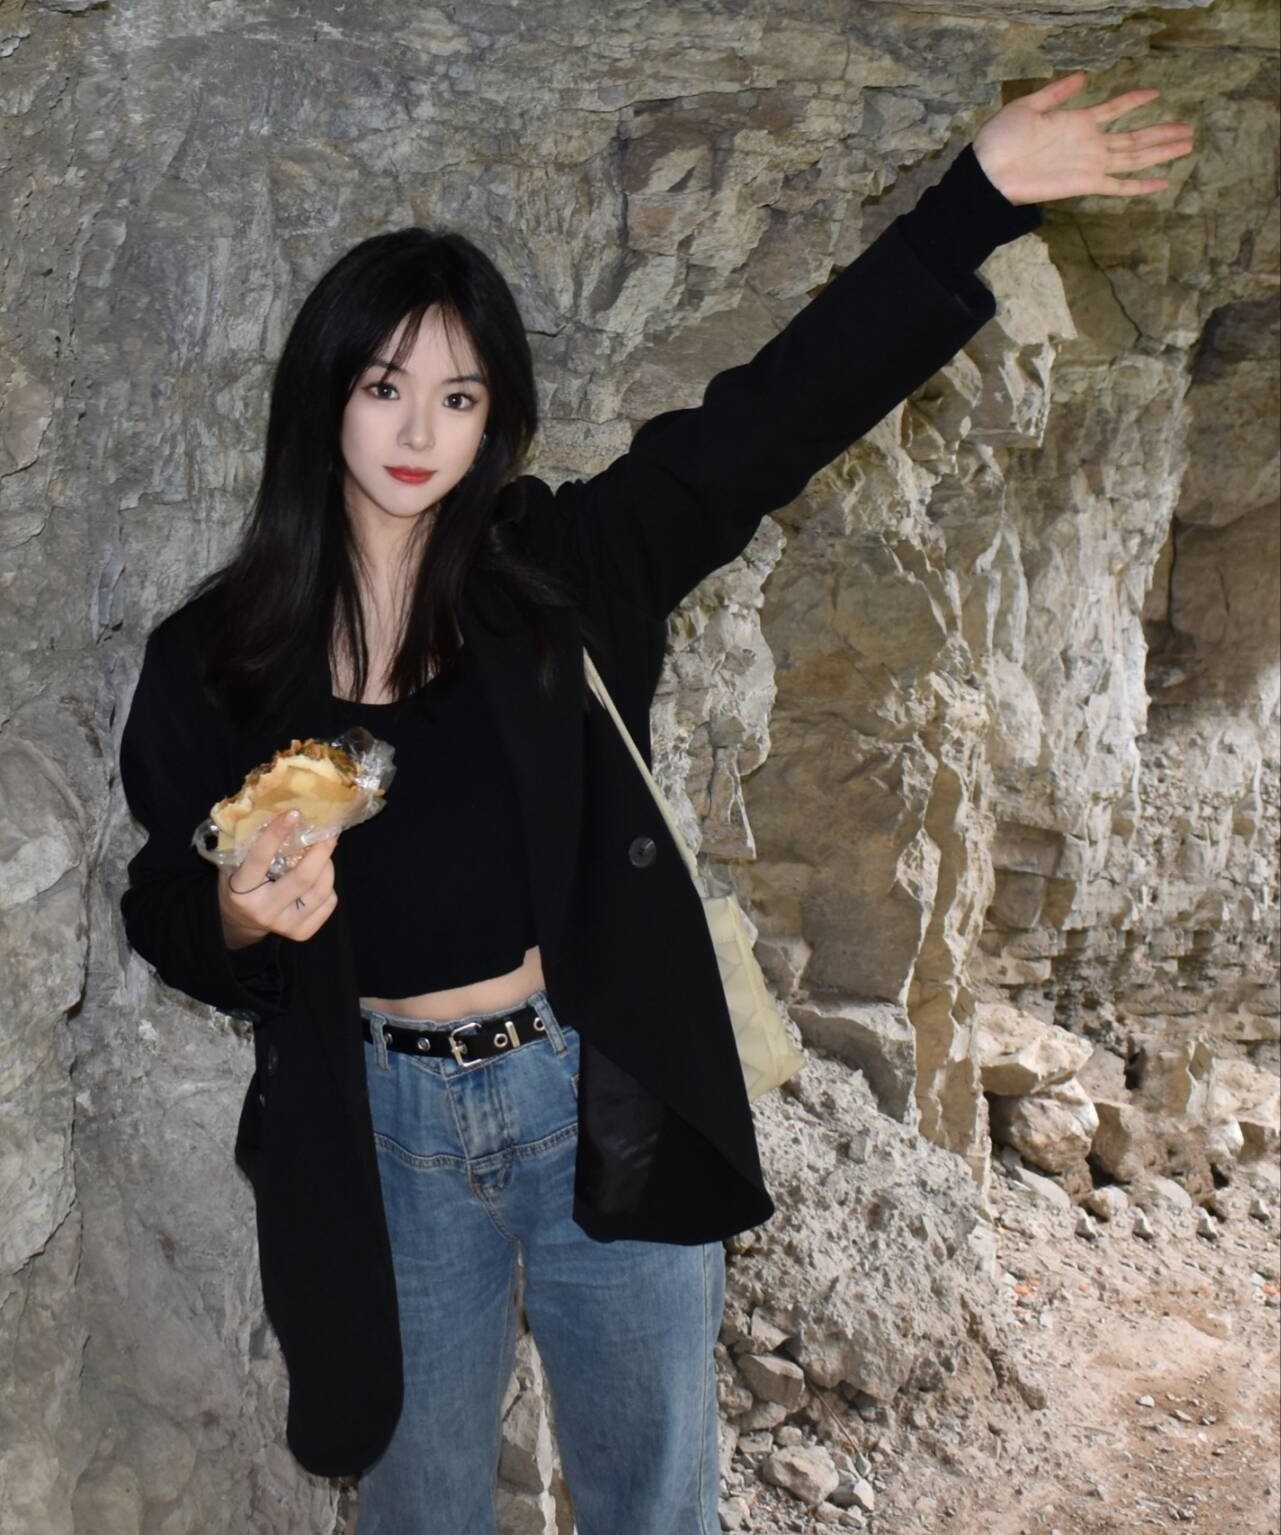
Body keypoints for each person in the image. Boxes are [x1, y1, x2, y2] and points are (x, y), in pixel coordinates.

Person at [117, 70, 1193, 1535]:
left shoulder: (563, 575)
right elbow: (162, 903)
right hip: (375, 1133)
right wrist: (241, 917)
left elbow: (771, 419)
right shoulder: (220, 656)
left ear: (495, 419)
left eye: (457, 395)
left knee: (650, 1503)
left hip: (590, 1091)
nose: (418, 427)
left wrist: (974, 200)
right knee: (421, 1511)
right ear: (324, 400)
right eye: (383, 387)